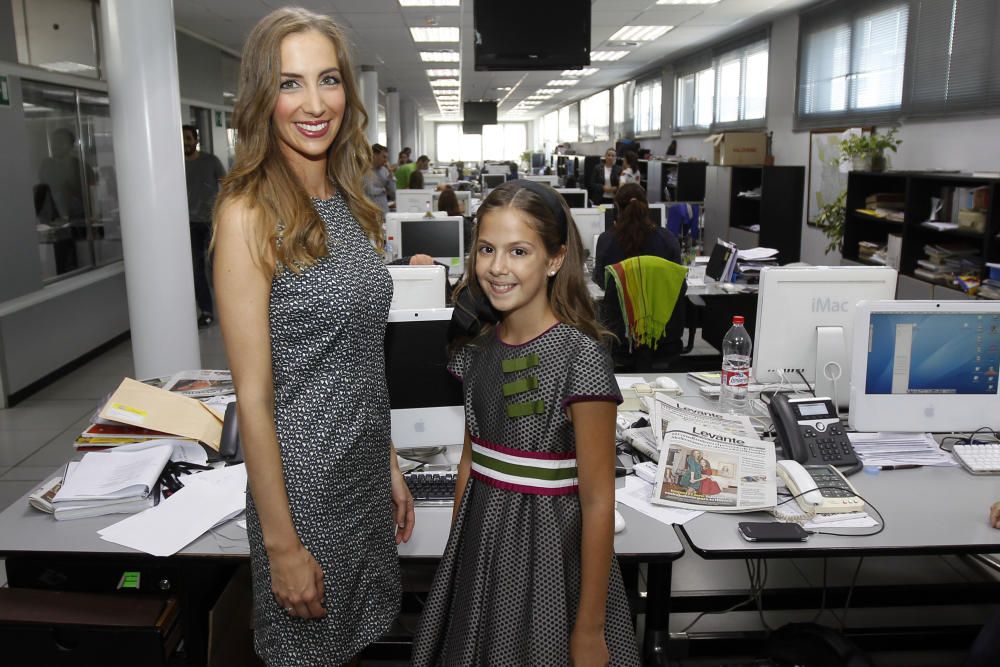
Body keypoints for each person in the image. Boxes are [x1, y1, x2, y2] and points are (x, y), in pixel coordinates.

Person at [211, 8, 414, 666]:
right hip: (303, 492)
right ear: (262, 98)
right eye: (290, 83)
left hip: (359, 472)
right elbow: (254, 396)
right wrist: (281, 545)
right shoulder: (249, 212)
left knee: (355, 646)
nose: (314, 102)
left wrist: (386, 462)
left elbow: (360, 356)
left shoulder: (351, 201)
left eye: (327, 79)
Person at [412, 180, 640, 666]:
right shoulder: (476, 349)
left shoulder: (581, 358)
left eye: (519, 251)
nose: (498, 267)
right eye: (487, 250)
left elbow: (599, 500)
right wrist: (456, 564)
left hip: (548, 561)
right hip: (479, 553)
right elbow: (471, 464)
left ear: (555, 259)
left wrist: (589, 628)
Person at [183, 124, 226, 327]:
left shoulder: (211, 161)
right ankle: (207, 311)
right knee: (196, 270)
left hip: (211, 222)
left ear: (196, 140)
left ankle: (228, 307)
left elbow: (226, 184)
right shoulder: (175, 164)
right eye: (182, 139)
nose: (185, 143)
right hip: (188, 225)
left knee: (218, 266)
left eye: (189, 139)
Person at [364, 142, 395, 216]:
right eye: (383, 157)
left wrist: (391, 175)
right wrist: (383, 190)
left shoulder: (385, 170)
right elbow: (370, 191)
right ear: (374, 155)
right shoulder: (365, 170)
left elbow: (393, 193)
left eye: (387, 158)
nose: (386, 161)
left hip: (384, 212)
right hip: (370, 212)